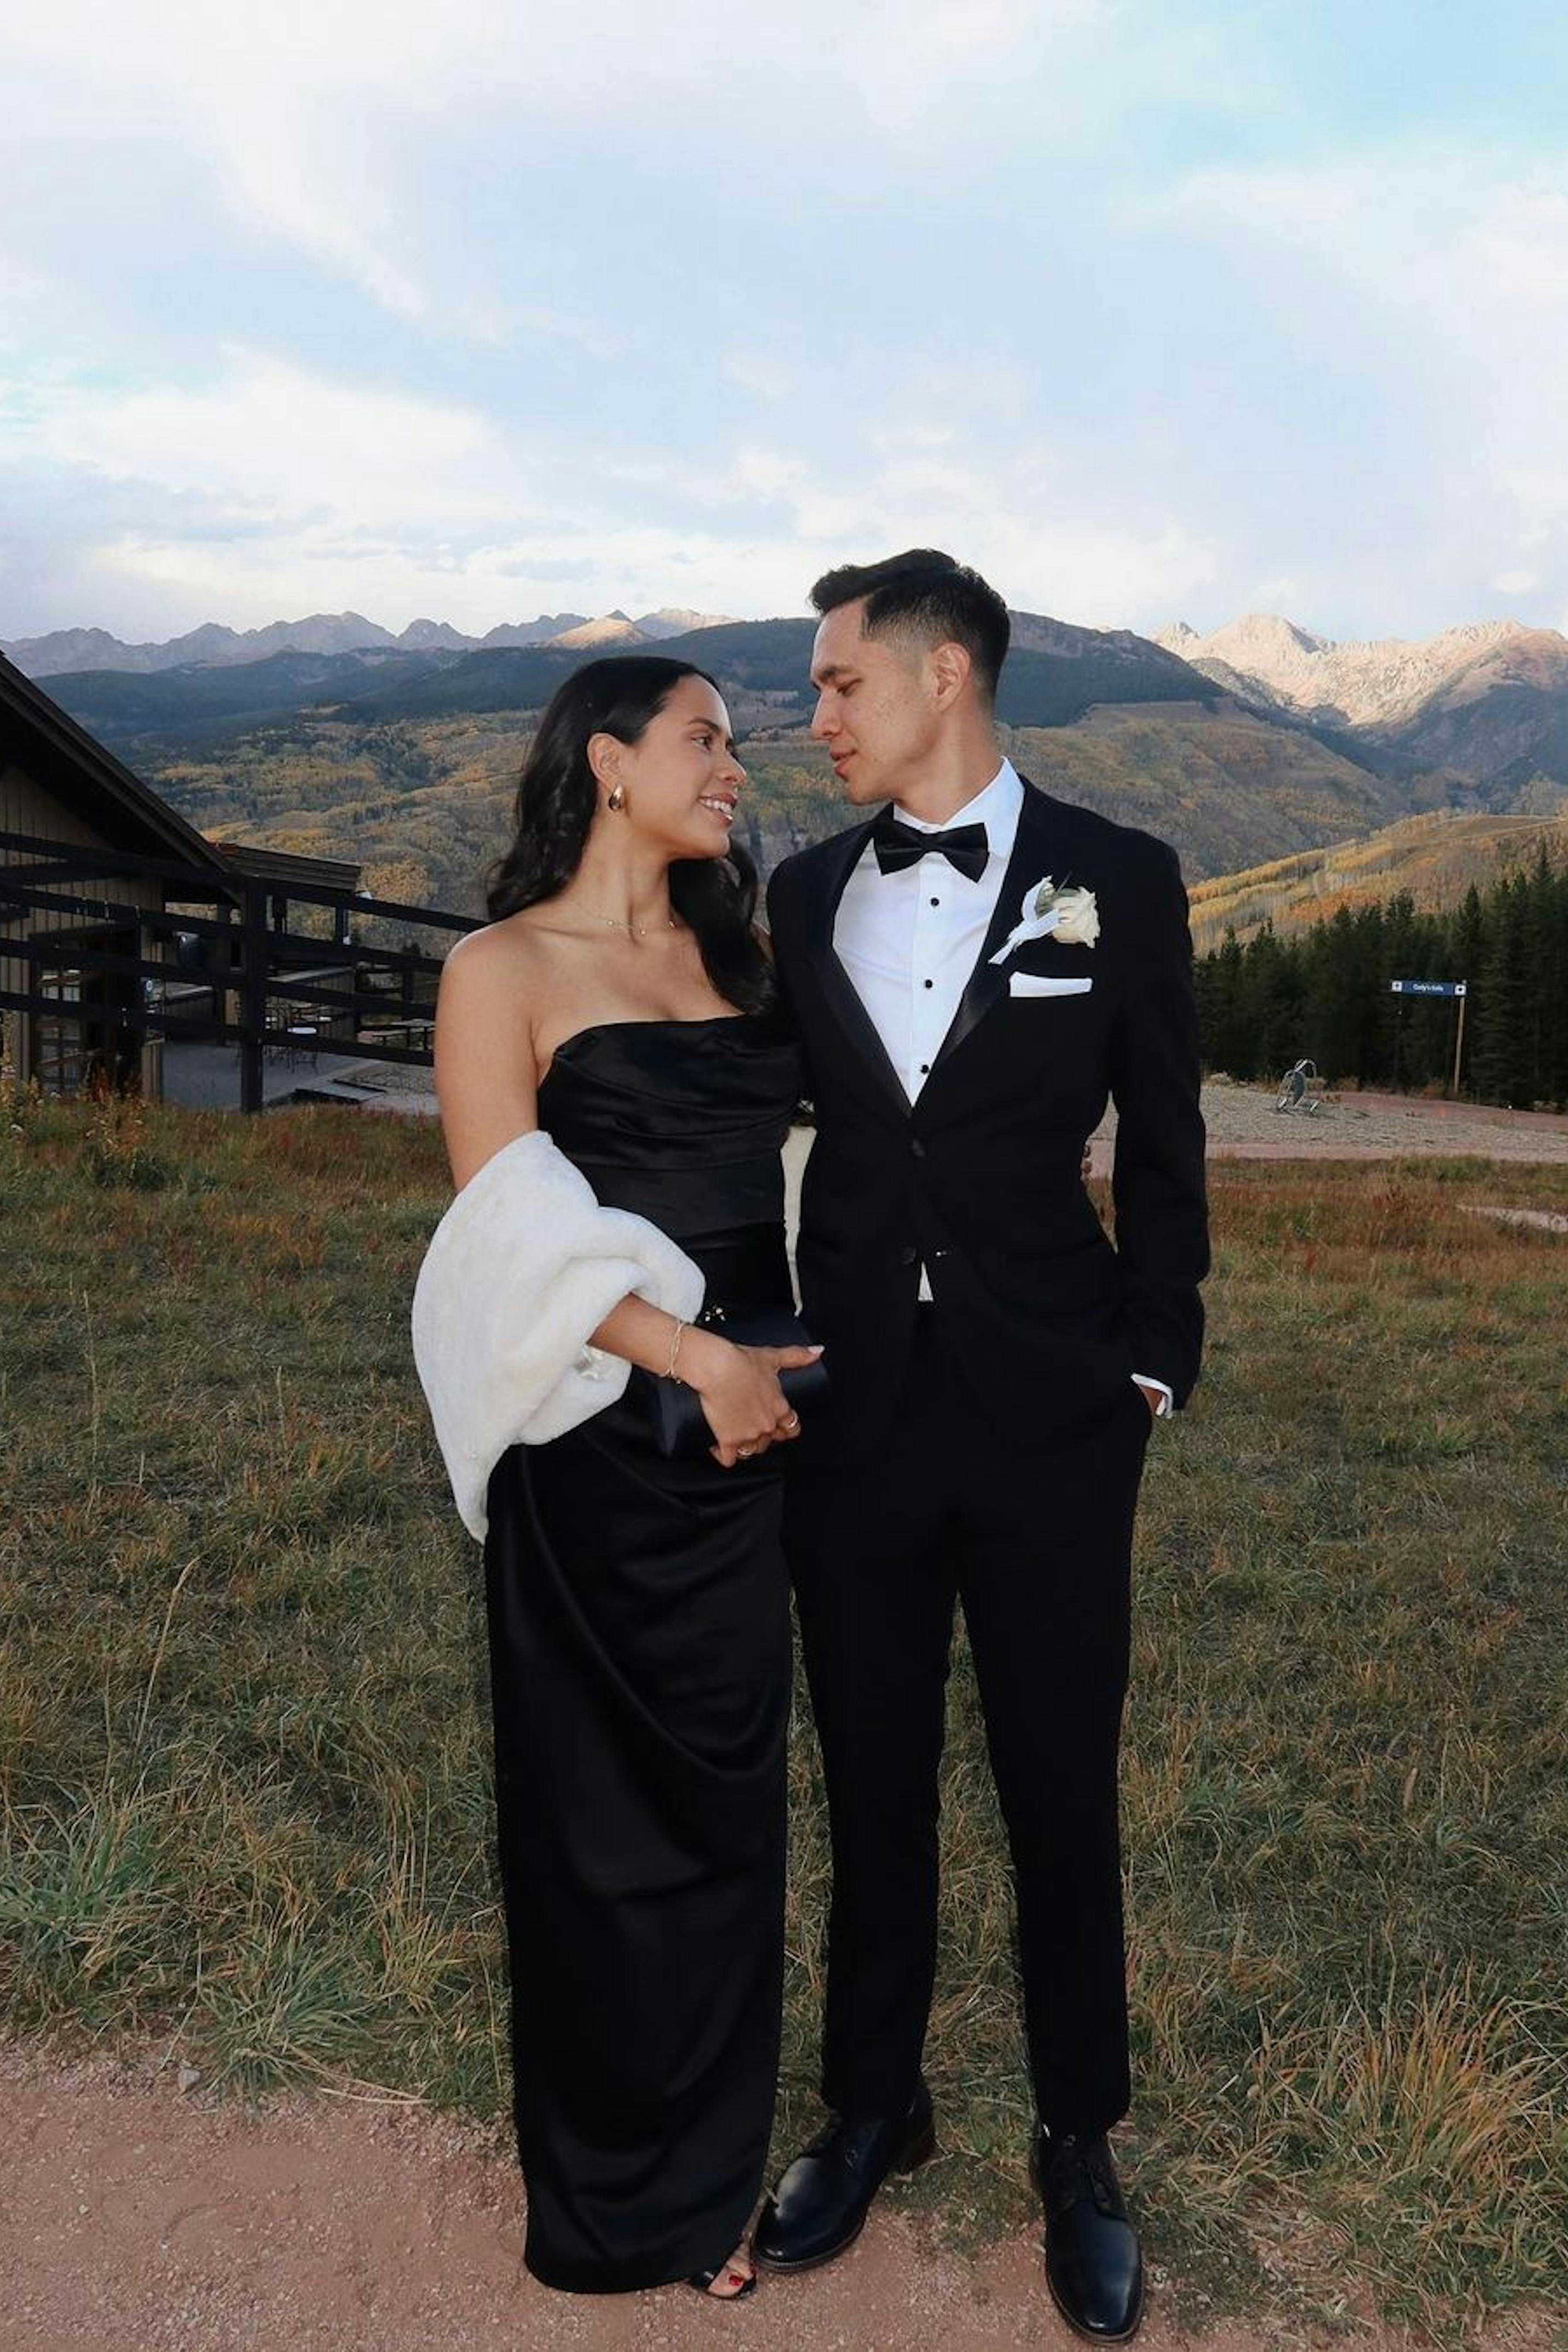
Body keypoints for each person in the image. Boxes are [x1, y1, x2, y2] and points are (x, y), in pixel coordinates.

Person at [754, 552, 1209, 2342]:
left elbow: (1165, 1140)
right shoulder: (798, 896)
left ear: (945, 675)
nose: (819, 716)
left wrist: (1151, 1366)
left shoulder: (1120, 878)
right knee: (869, 1778)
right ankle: (873, 2107)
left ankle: (1079, 2140)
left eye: (839, 683)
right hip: (852, 1415)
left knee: (1057, 1788)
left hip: (1051, 1423)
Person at [413, 656, 820, 2300]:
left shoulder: (750, 965)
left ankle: (711, 2180)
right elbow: (503, 1237)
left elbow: (821, 1175)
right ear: (607, 759)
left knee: (729, 1827)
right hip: (595, 1451)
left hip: (754, 1455)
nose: (737, 766)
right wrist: (696, 1353)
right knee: (595, 1838)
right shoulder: (498, 968)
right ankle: (607, 2205)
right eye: (707, 737)